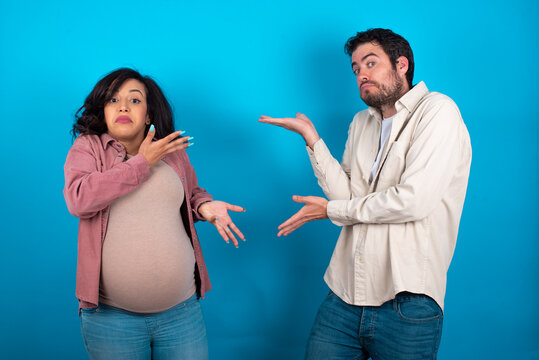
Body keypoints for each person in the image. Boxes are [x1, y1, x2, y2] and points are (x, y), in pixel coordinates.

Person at [259, 28, 471, 359]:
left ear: (401, 65)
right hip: (343, 294)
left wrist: (331, 211)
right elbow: (344, 195)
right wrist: (312, 140)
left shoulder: (437, 110)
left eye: (370, 63)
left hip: (407, 301)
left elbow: (413, 200)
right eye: (356, 69)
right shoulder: (361, 122)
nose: (362, 74)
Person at [64, 68, 245, 360]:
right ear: (104, 111)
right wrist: (141, 164)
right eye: (113, 100)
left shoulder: (173, 152)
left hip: (182, 313)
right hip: (112, 320)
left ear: (148, 115)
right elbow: (79, 199)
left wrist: (204, 207)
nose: (123, 106)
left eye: (134, 100)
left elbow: (192, 193)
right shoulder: (88, 148)